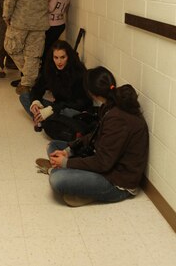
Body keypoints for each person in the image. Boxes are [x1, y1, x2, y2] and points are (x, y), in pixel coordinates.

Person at [36, 66, 149, 207]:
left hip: (117, 182)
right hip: (104, 161)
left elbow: (103, 162)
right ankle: (72, 178)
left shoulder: (118, 118)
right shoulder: (110, 104)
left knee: (57, 180)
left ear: (92, 93)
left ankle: (66, 175)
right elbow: (94, 135)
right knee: (54, 146)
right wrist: (68, 151)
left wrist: (67, 163)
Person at [3, 0, 73, 95]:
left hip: (20, 21)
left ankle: (28, 80)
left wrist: (6, 15)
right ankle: (28, 80)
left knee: (11, 47)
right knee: (33, 54)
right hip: (40, 23)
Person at [20, 40, 92, 129]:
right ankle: (44, 118)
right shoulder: (50, 68)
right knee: (25, 96)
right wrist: (36, 103)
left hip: (73, 109)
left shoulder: (78, 72)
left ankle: (44, 119)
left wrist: (51, 109)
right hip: (57, 106)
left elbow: (82, 103)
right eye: (56, 57)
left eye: (62, 57)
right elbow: (37, 87)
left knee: (66, 113)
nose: (59, 62)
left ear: (68, 57)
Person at [42, 0, 70, 64]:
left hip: (51, 24)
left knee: (46, 51)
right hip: (60, 23)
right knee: (51, 49)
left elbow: (51, 7)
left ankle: (46, 72)